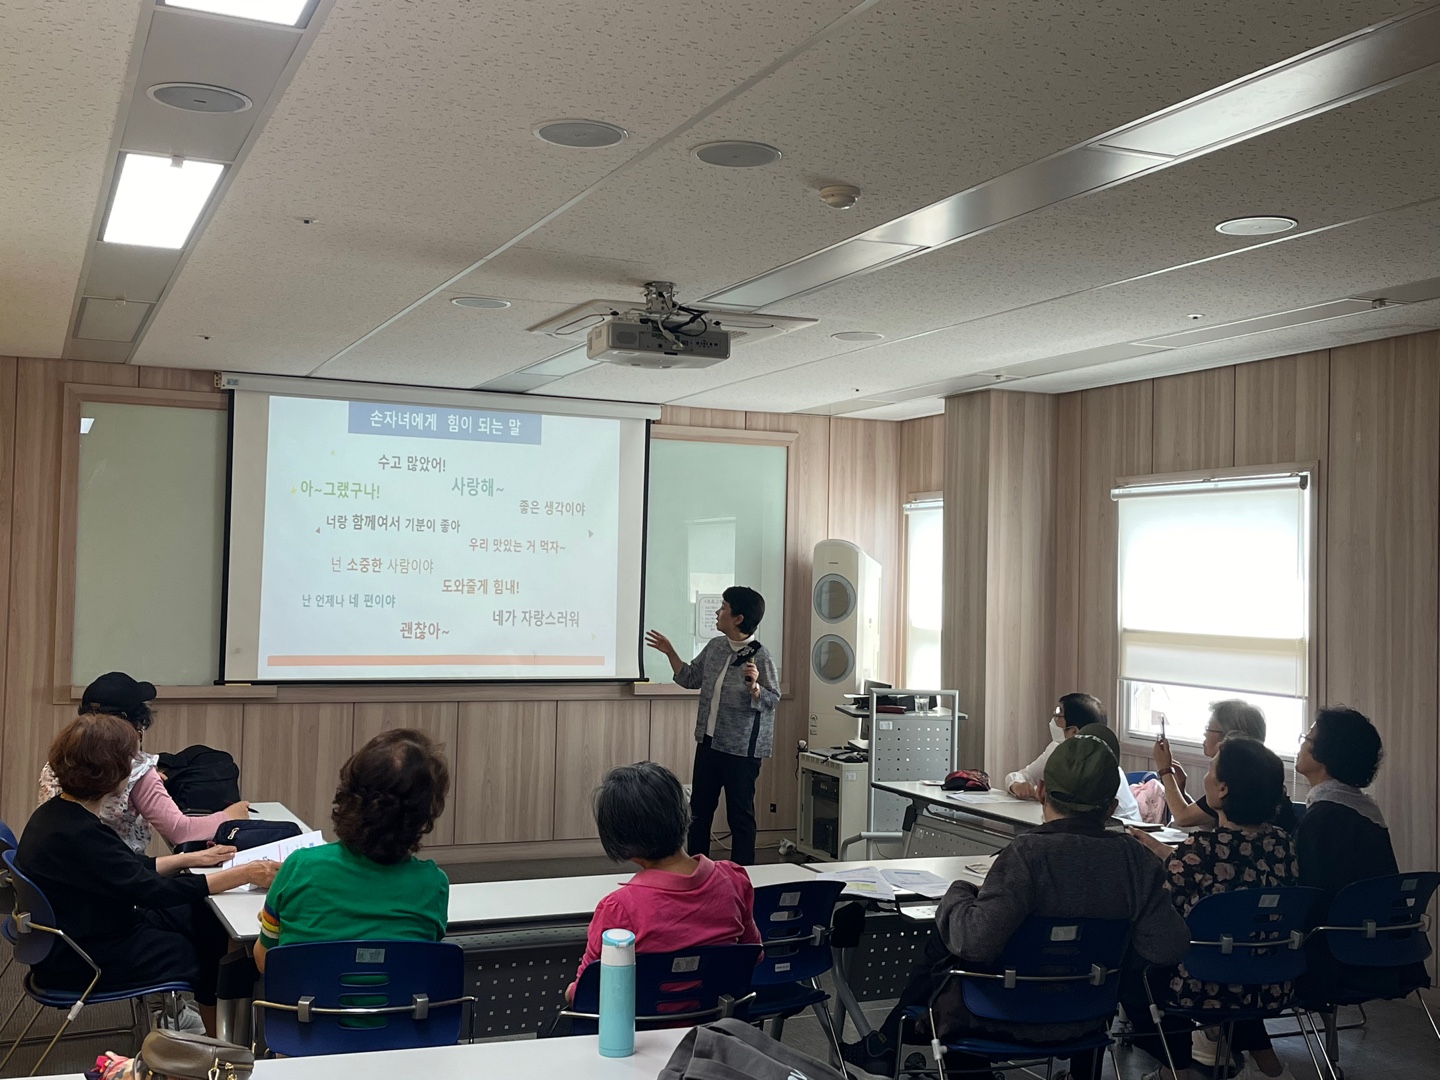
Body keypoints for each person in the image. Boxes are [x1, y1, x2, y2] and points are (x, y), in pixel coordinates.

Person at [846, 734, 1189, 1078]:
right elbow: (1167, 947)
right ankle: (887, 1042)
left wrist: (959, 892)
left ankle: (892, 1042)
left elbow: (975, 943)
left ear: (1041, 791)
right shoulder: (1136, 862)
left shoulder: (1027, 856)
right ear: (1112, 807)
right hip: (1088, 1018)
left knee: (950, 948)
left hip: (998, 1017)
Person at [17, 714, 278, 1035]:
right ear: (114, 772)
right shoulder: (80, 834)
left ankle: (221, 1033)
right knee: (201, 951)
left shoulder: (60, 814)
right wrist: (244, 874)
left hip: (78, 933)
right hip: (81, 960)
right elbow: (152, 891)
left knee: (202, 918)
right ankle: (219, 1044)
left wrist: (192, 858)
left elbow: (126, 868)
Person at [1124, 736, 1300, 1080]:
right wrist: (1163, 850)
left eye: (1210, 769)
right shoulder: (1282, 843)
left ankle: (1176, 1069)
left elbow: (1164, 911)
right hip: (1272, 976)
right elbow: (1224, 873)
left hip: (1203, 985)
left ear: (1222, 789)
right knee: (1232, 955)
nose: (1205, 776)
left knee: (1134, 977)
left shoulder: (1202, 848)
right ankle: (1270, 1071)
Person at [254, 729, 451, 971]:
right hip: (401, 998)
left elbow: (265, 961)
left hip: (310, 997)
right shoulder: (434, 884)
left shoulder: (300, 867)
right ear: (426, 811)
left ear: (349, 794)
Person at [567, 762, 760, 1002]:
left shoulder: (618, 909)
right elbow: (754, 955)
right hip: (717, 1020)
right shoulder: (734, 879)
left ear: (620, 837)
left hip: (641, 1025)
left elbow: (584, 993)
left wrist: (570, 991)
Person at [1294, 706, 1426, 1002]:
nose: (1302, 744)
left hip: (1335, 956)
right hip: (1379, 948)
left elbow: (1308, 896)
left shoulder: (1325, 818)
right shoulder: (1363, 811)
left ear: (1325, 753)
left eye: (1308, 738)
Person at [37, 672, 248, 854]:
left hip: (63, 868)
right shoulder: (135, 770)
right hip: (118, 874)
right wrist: (231, 815)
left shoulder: (59, 761)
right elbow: (181, 831)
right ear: (136, 723)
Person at [645, 586, 779, 865]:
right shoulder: (716, 647)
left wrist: (755, 687)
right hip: (708, 742)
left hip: (742, 749)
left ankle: (743, 875)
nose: (718, 612)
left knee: (740, 815)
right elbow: (690, 678)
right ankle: (697, 871)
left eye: (723, 608)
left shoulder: (761, 656)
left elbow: (772, 700)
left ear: (738, 618)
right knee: (699, 812)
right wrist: (670, 653)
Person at [1004, 693, 1142, 822]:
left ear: (1074, 731)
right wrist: (1016, 785)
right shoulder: (1056, 750)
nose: (1054, 720)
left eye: (1058, 716)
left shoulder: (1102, 764)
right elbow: (1021, 775)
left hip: (1119, 828)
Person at [1151, 698, 1266, 827]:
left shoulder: (1239, 777)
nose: (1205, 734)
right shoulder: (1253, 769)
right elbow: (1207, 822)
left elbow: (1183, 818)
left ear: (1229, 736)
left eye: (1209, 728)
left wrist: (1165, 770)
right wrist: (1180, 791)